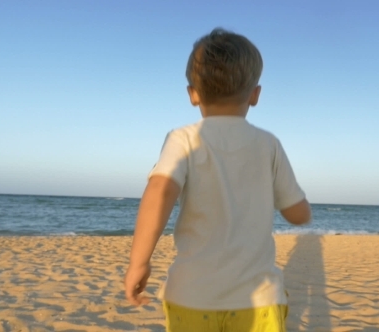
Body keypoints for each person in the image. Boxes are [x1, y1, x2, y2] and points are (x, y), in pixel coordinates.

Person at [124, 28, 311, 332]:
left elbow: (159, 191)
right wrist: (301, 210)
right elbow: (296, 212)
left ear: (192, 93)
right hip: (259, 300)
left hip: (191, 297)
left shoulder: (183, 139)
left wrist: (139, 263)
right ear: (255, 95)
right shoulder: (268, 144)